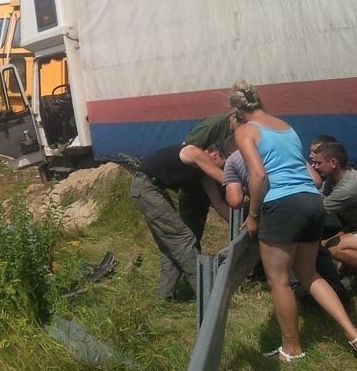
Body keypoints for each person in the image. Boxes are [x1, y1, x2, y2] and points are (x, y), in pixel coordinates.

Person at [233, 80, 357, 361]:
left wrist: (253, 215)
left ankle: (292, 349)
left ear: (237, 112)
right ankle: (353, 333)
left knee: (279, 280)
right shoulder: (285, 127)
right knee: (309, 273)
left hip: (282, 204)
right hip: (312, 202)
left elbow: (258, 176)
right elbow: (309, 173)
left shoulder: (245, 131)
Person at [130, 141, 229, 300]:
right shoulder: (194, 152)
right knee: (184, 240)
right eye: (224, 165)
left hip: (154, 189)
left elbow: (218, 203)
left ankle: (164, 297)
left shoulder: (202, 172)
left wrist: (240, 225)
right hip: (146, 188)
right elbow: (228, 180)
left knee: (172, 245)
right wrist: (244, 185)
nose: (222, 169)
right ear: (216, 154)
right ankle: (208, 297)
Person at [315, 142, 357, 272]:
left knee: (334, 248)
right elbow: (318, 197)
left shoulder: (350, 186)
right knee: (323, 245)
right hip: (353, 226)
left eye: (319, 163)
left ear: (333, 163)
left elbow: (318, 208)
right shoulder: (332, 179)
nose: (315, 167)